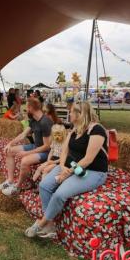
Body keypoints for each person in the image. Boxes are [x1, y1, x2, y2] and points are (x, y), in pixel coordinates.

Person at [25, 101, 108, 238]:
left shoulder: (97, 130)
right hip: (72, 166)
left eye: (72, 111)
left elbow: (88, 159)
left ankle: (42, 223)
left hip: (93, 171)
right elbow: (64, 151)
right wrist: (63, 166)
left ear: (80, 114)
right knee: (44, 186)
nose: (69, 114)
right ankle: (51, 225)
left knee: (59, 194)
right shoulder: (74, 129)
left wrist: (67, 172)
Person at [0, 98, 53, 196]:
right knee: (9, 151)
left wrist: (26, 153)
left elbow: (47, 146)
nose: (26, 109)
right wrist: (10, 143)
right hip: (36, 146)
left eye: (27, 106)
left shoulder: (45, 122)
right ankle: (10, 181)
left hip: (46, 152)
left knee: (25, 161)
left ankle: (17, 187)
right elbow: (23, 134)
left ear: (31, 108)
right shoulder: (34, 120)